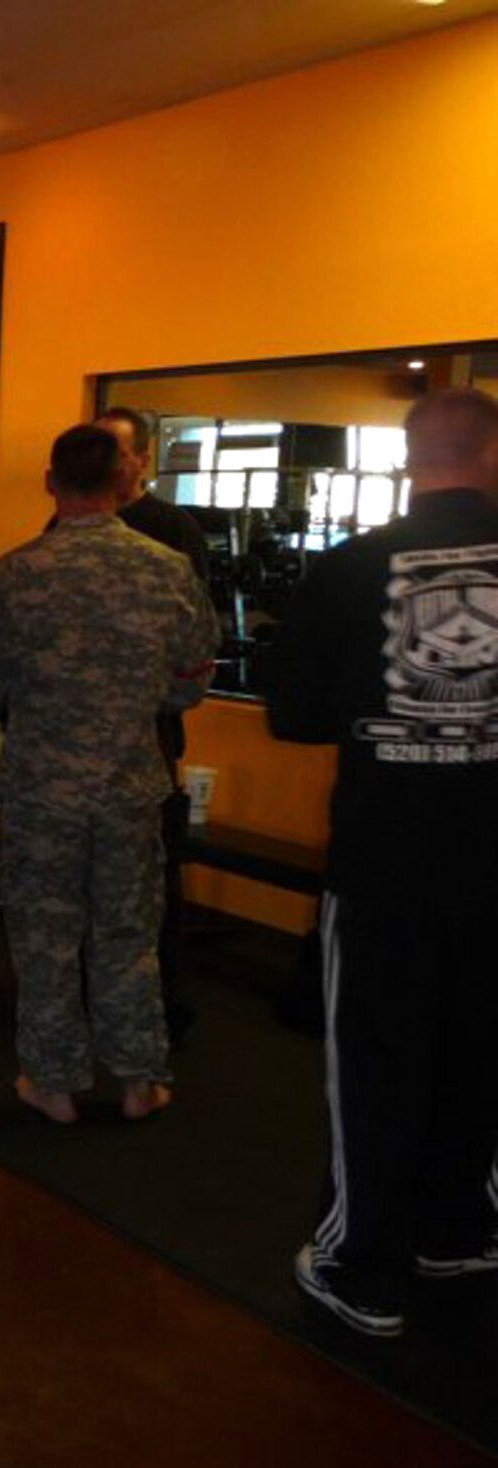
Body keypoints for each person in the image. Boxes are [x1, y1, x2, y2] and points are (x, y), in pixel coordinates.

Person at [265, 386, 498, 1338]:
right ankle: (455, 1230)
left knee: (375, 1062)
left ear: (413, 459)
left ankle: (363, 1267)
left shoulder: (352, 569)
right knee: (479, 1053)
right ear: (488, 455)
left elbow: (292, 715)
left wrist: (389, 715)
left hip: (384, 868)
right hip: (491, 862)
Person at [0, 424, 217, 1125]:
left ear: (51, 482)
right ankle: (139, 1079)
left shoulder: (14, 573)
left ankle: (53, 1082)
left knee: (45, 938)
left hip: (42, 788)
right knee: (129, 933)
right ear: (121, 482)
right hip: (133, 783)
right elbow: (192, 682)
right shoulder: (167, 571)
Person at [96, 406, 209, 1044]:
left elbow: (193, 642)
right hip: (75, 744)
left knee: (151, 875)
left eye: (118, 451)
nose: (109, 464)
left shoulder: (171, 531)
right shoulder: (72, 523)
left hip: (146, 736)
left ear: (143, 457)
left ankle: (163, 1001)